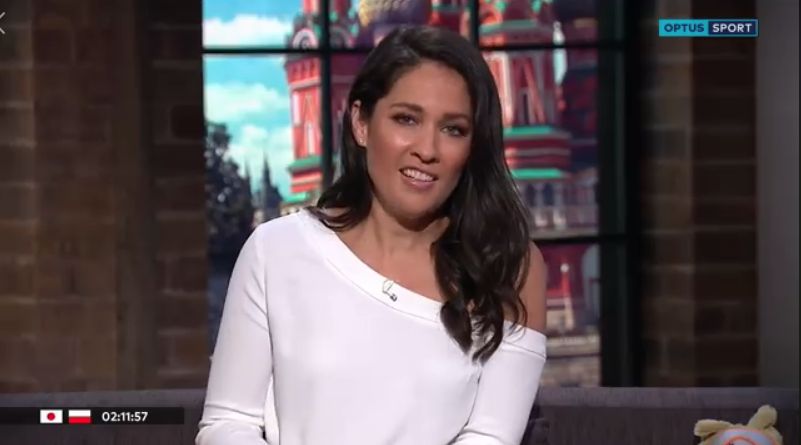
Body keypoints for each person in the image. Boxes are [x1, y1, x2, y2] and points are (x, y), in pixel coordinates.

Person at [196, 25, 548, 445]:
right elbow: (228, 423)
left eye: (453, 129)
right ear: (361, 123)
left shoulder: (509, 267)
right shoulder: (276, 250)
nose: (427, 149)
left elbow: (491, 437)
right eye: (406, 119)